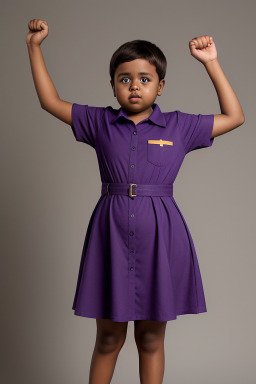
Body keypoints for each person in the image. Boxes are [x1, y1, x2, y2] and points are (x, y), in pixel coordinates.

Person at [26, 19, 245, 384]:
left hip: (162, 237)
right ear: (112, 86)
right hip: (109, 234)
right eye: (124, 78)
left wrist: (211, 63)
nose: (134, 87)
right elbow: (50, 101)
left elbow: (235, 116)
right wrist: (34, 47)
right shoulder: (99, 122)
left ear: (161, 87)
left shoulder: (180, 126)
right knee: (109, 337)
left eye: (145, 79)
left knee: (150, 338)